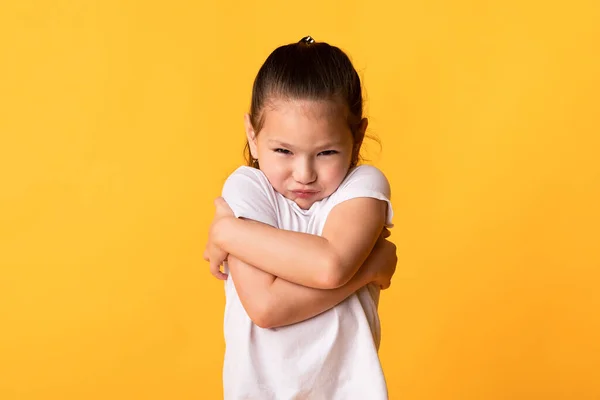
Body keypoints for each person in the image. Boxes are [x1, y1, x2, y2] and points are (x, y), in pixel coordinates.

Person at [204, 36, 397, 400]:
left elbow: (331, 265)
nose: (304, 173)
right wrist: (369, 267)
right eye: (283, 151)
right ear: (253, 135)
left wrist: (227, 232)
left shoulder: (363, 187)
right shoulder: (248, 188)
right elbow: (266, 307)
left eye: (326, 152)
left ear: (357, 137)